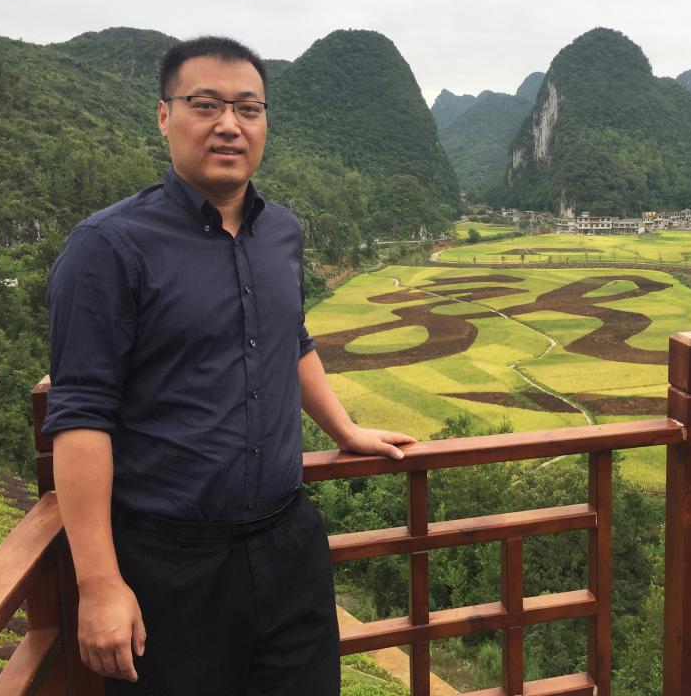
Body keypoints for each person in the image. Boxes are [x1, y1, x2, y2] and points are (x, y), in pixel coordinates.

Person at [41, 36, 416, 695]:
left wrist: (345, 429)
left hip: (287, 544)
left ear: (265, 121)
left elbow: (290, 339)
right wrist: (99, 583)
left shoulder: (283, 233)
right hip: (168, 562)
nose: (228, 124)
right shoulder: (109, 246)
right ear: (165, 116)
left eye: (248, 108)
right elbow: (81, 414)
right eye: (205, 104)